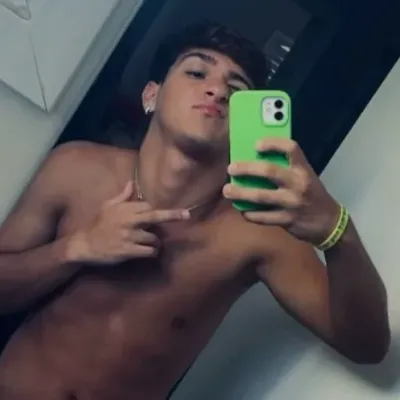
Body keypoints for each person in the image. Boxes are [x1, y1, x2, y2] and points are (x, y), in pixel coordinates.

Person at [0, 22, 390, 400]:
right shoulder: (75, 168)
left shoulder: (257, 231)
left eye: (237, 90)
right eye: (197, 72)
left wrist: (338, 232)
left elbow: (366, 345)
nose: (217, 91)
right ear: (151, 95)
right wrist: (78, 247)